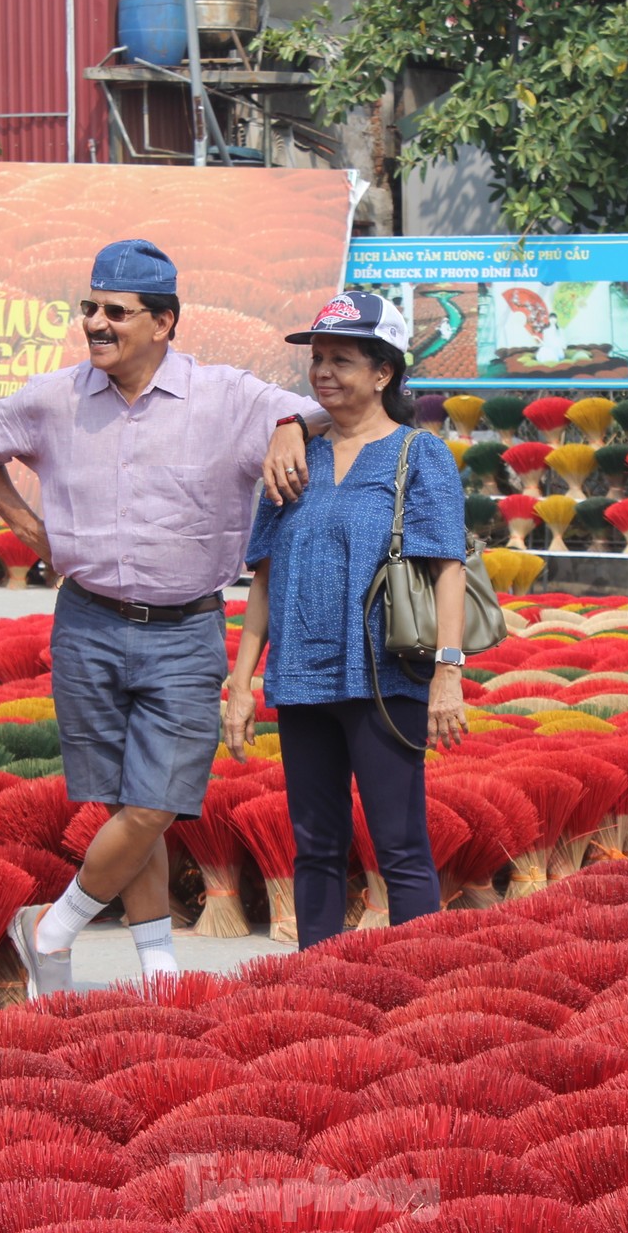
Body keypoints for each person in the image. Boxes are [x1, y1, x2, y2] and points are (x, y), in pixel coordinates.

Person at [0, 238, 328, 994]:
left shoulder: (224, 397)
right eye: (89, 307)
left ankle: (50, 926)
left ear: (163, 323)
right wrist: (25, 525)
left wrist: (289, 424)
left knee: (158, 802)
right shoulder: (55, 397)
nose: (95, 322)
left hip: (187, 630)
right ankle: (157, 962)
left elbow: (317, 409)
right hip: (87, 623)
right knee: (128, 804)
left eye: (115, 312)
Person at [225, 291, 471, 949]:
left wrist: (448, 673)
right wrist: (242, 683)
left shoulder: (419, 454)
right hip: (303, 677)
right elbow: (265, 576)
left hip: (386, 680)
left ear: (383, 371)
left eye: (342, 359)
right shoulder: (293, 457)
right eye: (318, 359)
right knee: (315, 844)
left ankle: (424, 990)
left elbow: (449, 566)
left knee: (400, 843)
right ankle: (320, 981)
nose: (324, 372)